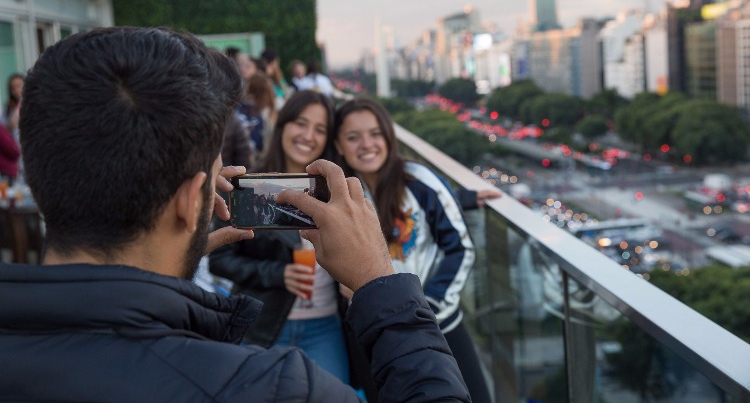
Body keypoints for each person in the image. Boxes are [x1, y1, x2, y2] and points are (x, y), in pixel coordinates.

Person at [0, 27, 470, 402]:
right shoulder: (278, 388)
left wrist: (165, 260)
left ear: (40, 189)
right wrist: (376, 284)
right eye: (218, 171)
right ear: (191, 202)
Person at [334, 97, 492, 403]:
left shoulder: (420, 181)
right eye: (353, 137)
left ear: (389, 138)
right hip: (374, 332)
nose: (366, 144)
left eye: (375, 133)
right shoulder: (344, 196)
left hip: (438, 328)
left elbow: (461, 250)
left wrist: (424, 313)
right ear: (339, 146)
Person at [210, 91, 352, 384]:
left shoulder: (337, 194)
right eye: (301, 123)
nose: (308, 135)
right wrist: (279, 274)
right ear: (283, 125)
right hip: (262, 326)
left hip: (325, 326)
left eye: (320, 129)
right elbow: (219, 260)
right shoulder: (252, 187)